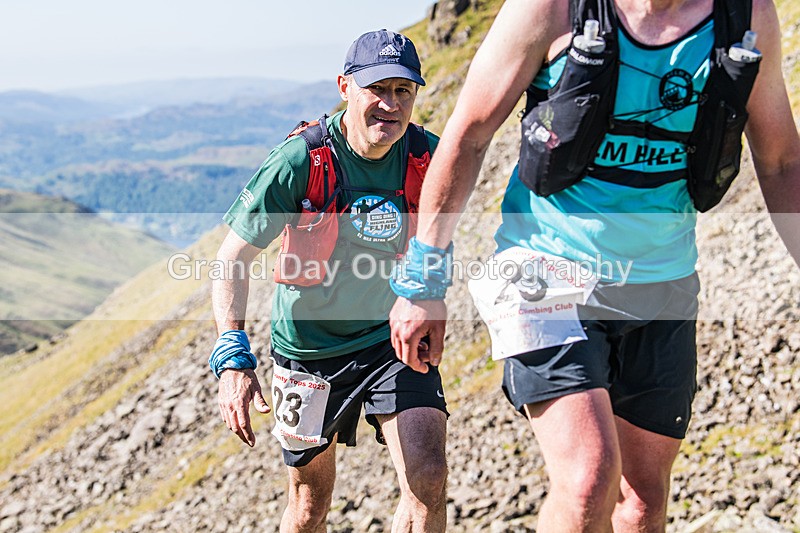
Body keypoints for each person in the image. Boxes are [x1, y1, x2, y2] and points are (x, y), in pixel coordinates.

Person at [390, 0, 800, 530]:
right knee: (588, 480)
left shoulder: (744, 16)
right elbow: (468, 134)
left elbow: (782, 159)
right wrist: (424, 279)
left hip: (663, 280)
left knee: (642, 500)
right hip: (539, 267)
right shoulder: (553, 8)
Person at [210, 30, 448, 533]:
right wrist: (232, 354)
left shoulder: (429, 159)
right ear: (345, 87)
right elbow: (233, 256)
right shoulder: (301, 160)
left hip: (392, 341)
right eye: (376, 89)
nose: (390, 104)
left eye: (403, 91)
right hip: (308, 354)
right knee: (308, 508)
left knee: (428, 478)